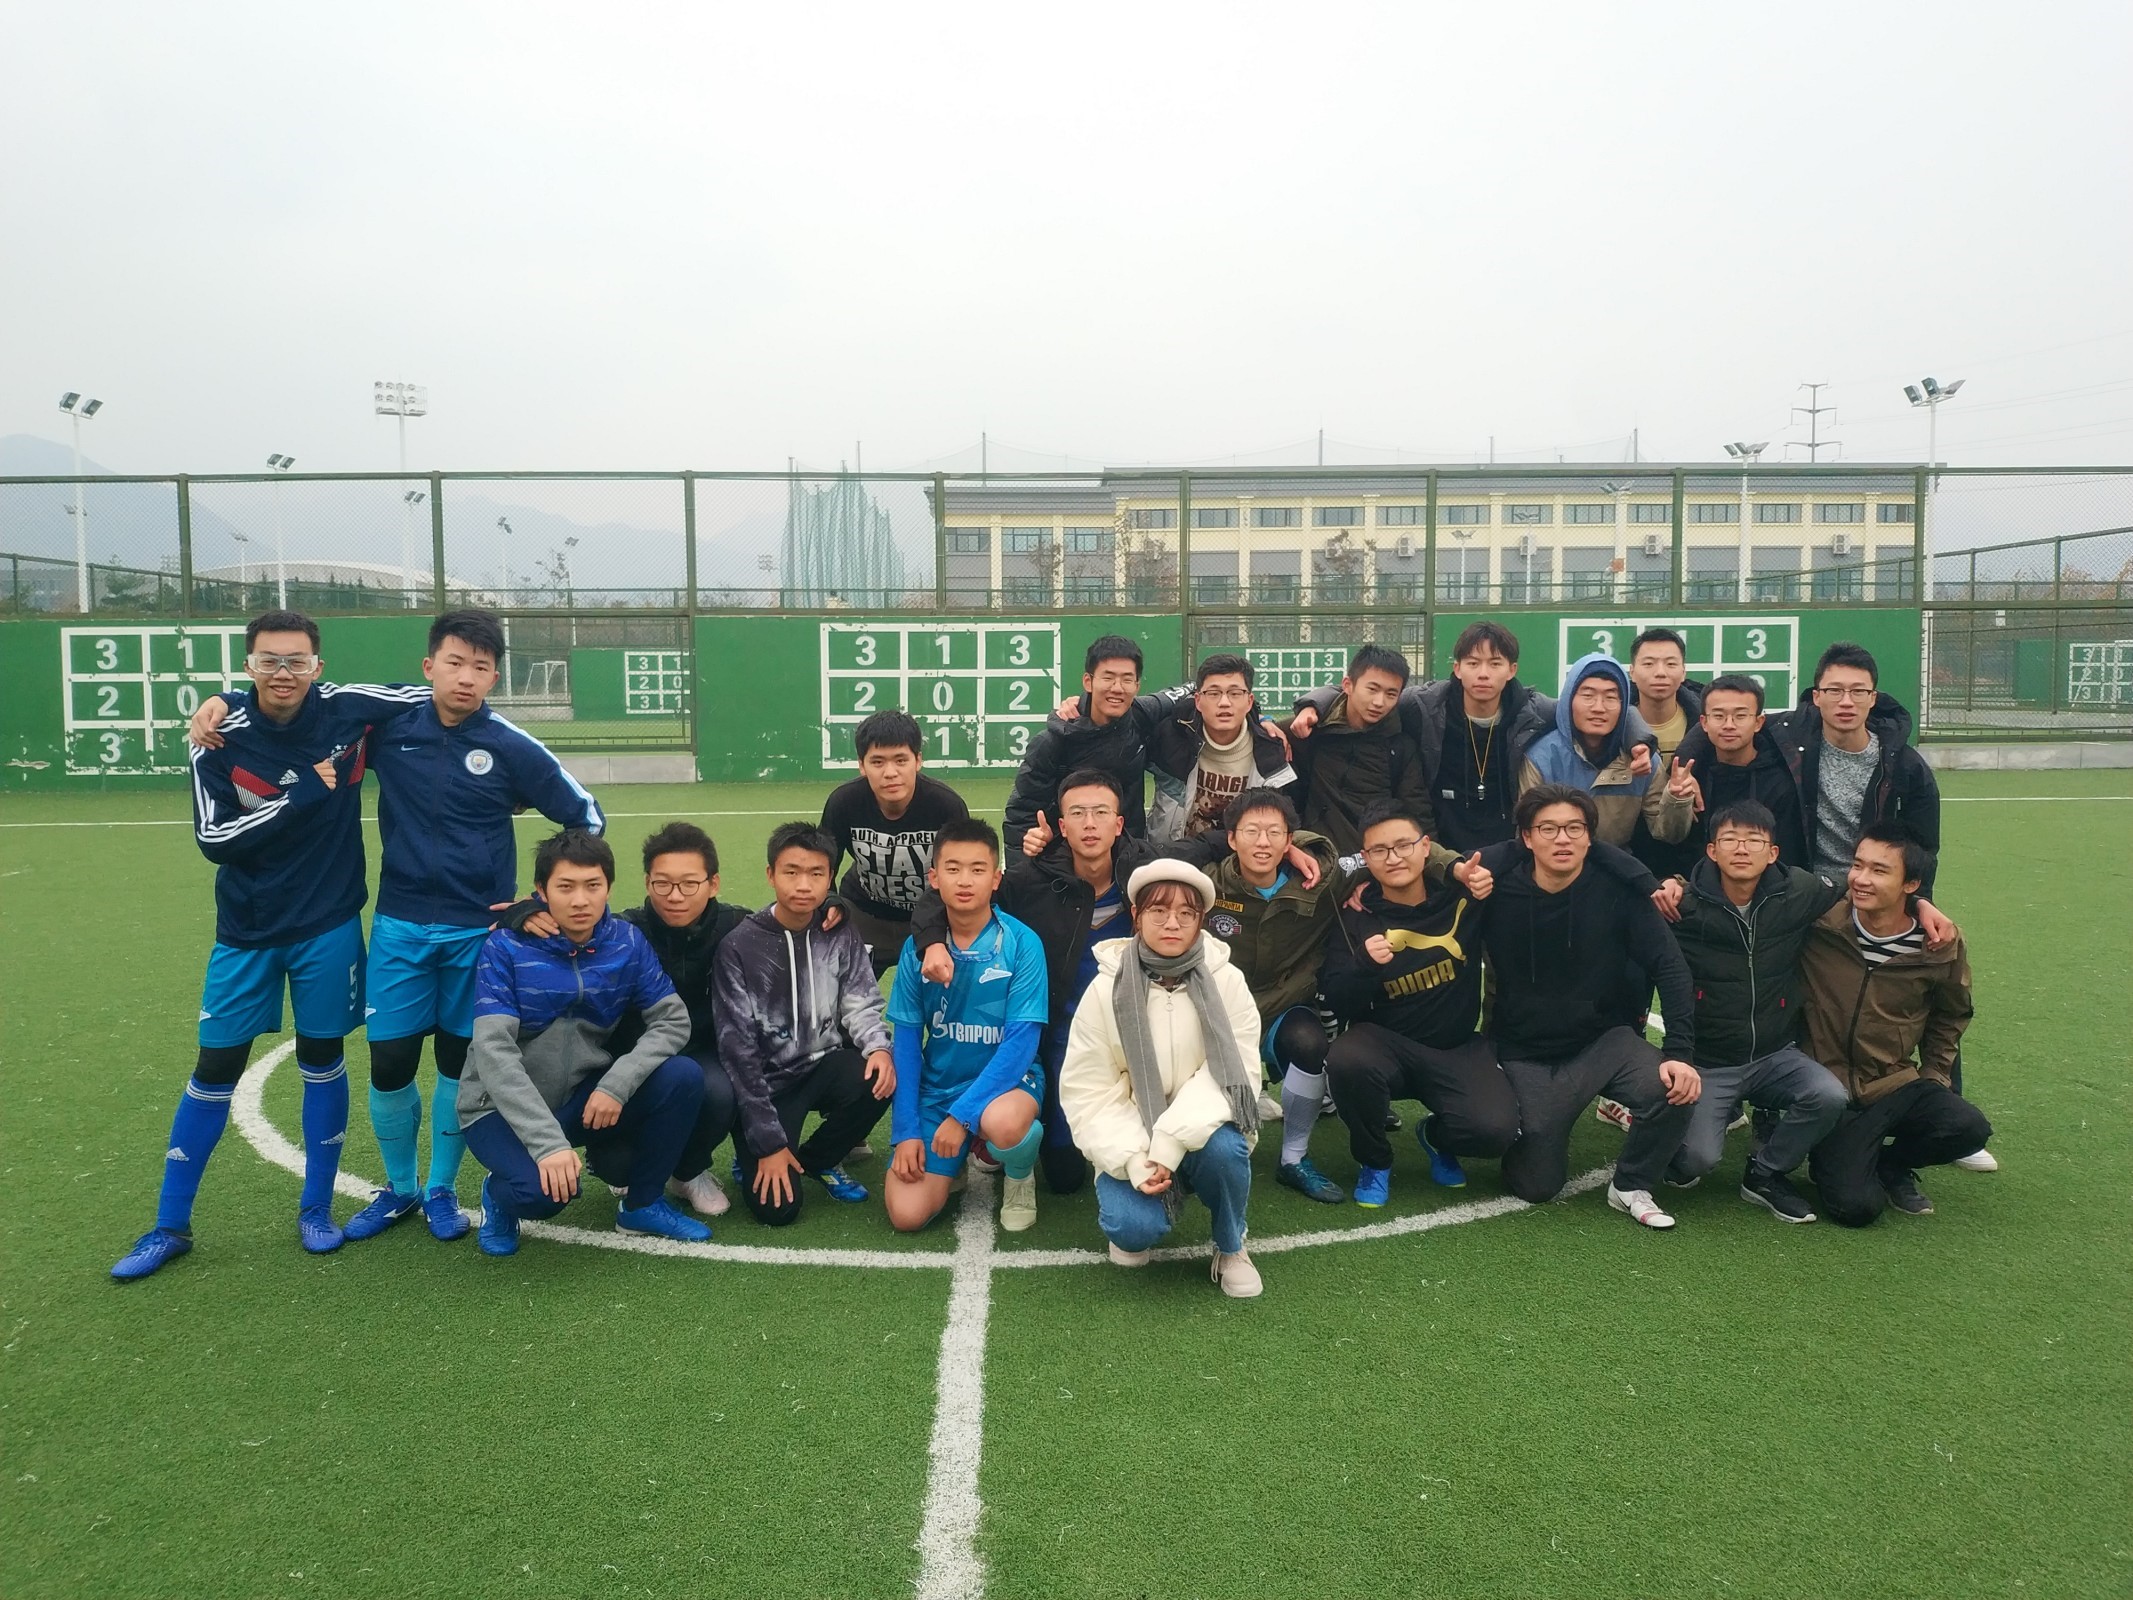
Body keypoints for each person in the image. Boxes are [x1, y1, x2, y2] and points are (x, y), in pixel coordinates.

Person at [188, 608, 605, 1244]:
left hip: (476, 933)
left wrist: (537, 898)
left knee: (457, 1063)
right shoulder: (388, 727)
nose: (465, 678)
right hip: (399, 923)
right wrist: (227, 698)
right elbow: (307, 698)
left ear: (495, 677)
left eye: (481, 667)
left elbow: (586, 816)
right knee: (389, 1062)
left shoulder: (510, 744)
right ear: (429, 666)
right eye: (454, 663)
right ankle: (399, 1187)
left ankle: (440, 1190)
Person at [113, 612, 366, 1280]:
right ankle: (169, 1226)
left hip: (328, 924)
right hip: (247, 930)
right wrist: (300, 794)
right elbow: (214, 839)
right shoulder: (216, 737)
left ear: (318, 666)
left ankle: (316, 1210)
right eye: (268, 661)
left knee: (321, 1058)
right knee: (215, 1065)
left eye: (296, 661)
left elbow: (430, 695)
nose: (283, 672)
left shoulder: (346, 715)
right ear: (248, 665)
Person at [459, 829, 712, 1256]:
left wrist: (617, 1083)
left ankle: (642, 1204)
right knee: (542, 1195)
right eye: (565, 887)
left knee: (683, 1076)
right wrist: (548, 1145)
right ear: (541, 891)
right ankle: (498, 1196)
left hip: (581, 1095)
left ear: (608, 887)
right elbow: (494, 1051)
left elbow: (672, 1021)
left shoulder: (626, 942)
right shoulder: (506, 946)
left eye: (592, 885)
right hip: (497, 1108)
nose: (580, 900)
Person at [1476, 784, 1702, 1229]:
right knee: (1537, 1185)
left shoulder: (1619, 889)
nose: (1562, 839)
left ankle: (1631, 1184)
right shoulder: (1495, 891)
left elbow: (1671, 968)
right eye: (1548, 829)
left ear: (1590, 838)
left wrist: (1680, 1053)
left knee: (1674, 1089)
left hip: (1603, 1043)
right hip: (1525, 1052)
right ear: (1526, 838)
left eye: (1574, 828)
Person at [498, 821, 746, 1217]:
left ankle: (688, 1171)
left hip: (699, 1052)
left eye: (689, 884)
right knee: (619, 1166)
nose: (675, 896)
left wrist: (834, 903)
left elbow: (787, 918)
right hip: (625, 1062)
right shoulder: (626, 932)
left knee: (717, 1090)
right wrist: (524, 911)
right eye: (663, 883)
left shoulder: (735, 925)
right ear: (647, 882)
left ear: (712, 884)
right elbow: (572, 919)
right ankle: (617, 1160)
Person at [1057, 860, 1267, 1297]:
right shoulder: (1105, 988)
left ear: (1201, 920)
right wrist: (1135, 1159)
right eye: (1158, 911)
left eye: (1186, 913)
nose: (1172, 923)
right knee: (1131, 1232)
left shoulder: (1227, 982)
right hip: (1133, 1138)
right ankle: (1144, 1204)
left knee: (1226, 1150)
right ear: (1136, 915)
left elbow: (1233, 1075)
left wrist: (1170, 1142)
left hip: (1202, 1133)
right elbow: (1088, 1089)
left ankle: (1231, 1245)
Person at [1651, 801, 1852, 1222]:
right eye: (1730, 839)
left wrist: (1921, 904)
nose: (1742, 849)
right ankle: (1694, 1124)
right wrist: (1668, 883)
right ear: (1712, 850)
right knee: (1696, 1162)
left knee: (1829, 1095)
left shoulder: (1797, 892)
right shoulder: (1682, 905)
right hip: (1709, 1062)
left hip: (1776, 1054)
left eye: (1754, 840)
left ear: (1773, 852)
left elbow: (1854, 889)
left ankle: (1765, 1171)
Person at [1321, 800, 1517, 1208]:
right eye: (1379, 850)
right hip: (1385, 1048)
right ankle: (1375, 1160)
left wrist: (1465, 869)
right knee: (1346, 1060)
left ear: (1426, 847)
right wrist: (1363, 965)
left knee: (1495, 1131)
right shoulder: (1355, 915)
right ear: (1366, 858)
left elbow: (1520, 847)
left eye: (1403, 845)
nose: (1393, 858)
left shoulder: (1462, 892)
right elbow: (1337, 1000)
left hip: (1455, 1047)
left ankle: (1437, 1136)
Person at [1799, 824, 1985, 1226]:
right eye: (1857, 865)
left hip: (1892, 1083)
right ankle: (1841, 1155)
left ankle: (1891, 1163)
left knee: (1968, 1127)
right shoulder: (1819, 921)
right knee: (1856, 1208)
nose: (1861, 879)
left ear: (1911, 885)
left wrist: (1935, 1075)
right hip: (1828, 1087)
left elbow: (1951, 1013)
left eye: (1879, 870)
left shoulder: (1938, 944)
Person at [713, 822, 896, 1225]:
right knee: (777, 1211)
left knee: (885, 1069)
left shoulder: (839, 930)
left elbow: (861, 1000)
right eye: (791, 872)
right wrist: (767, 1141)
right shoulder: (739, 946)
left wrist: (879, 1048)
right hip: (768, 1085)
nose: (803, 885)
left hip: (823, 1066)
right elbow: (738, 1051)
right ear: (770, 875)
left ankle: (819, 1158)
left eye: (816, 873)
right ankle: (753, 1147)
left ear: (830, 879)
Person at [883, 819, 1050, 1234]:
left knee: (1004, 1124)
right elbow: (906, 1044)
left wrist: (961, 1118)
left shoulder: (1023, 943)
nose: (964, 880)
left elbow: (1020, 1045)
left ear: (996, 879)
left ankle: (1019, 1175)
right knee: (906, 1214)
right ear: (934, 878)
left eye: (977, 869)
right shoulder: (916, 950)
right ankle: (954, 1159)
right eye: (953, 868)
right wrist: (906, 1131)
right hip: (940, 1089)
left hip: (1009, 1086)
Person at [1290, 622, 1581, 854]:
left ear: (1511, 670)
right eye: (1473, 663)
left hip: (1509, 849)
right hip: (1444, 846)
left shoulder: (1536, 712)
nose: (1483, 674)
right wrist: (1313, 705)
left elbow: (1589, 712)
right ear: (1457, 668)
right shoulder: (1423, 706)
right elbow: (1359, 693)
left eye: (1495, 664)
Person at [1200, 788, 1349, 1202]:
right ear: (1232, 839)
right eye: (1251, 832)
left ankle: (1293, 1158)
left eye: (1274, 833)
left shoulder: (1319, 881)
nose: (1262, 843)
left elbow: (1386, 858)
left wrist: (1454, 867)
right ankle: (1193, 1154)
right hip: (1221, 1010)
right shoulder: (1207, 885)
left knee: (1308, 1042)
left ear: (1290, 841)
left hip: (1283, 1004)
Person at [819, 709, 970, 977]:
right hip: (863, 913)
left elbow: (962, 873)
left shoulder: (946, 806)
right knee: (835, 996)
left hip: (930, 916)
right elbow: (821, 862)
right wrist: (829, 901)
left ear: (918, 760)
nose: (890, 773)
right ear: (862, 765)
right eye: (877, 762)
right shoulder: (844, 802)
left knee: (946, 993)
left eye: (901, 760)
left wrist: (935, 933)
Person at [1520, 652, 1697, 849]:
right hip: (1553, 861)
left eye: (1611, 697)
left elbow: (1668, 834)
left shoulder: (1642, 759)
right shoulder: (1541, 758)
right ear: (1569, 700)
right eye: (1588, 696)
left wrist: (1677, 799)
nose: (1599, 707)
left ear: (1624, 706)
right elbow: (1527, 831)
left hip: (1615, 863)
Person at [1003, 634, 1153, 849]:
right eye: (1108, 677)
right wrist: (1030, 852)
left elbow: (1192, 691)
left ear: (1137, 686)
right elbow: (1021, 818)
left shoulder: (1142, 719)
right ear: (1088, 682)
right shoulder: (1050, 743)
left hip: (1127, 859)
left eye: (1127, 679)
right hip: (1067, 861)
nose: (1117, 688)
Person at [1279, 642, 1429, 855]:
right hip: (1315, 857)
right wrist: (1266, 724)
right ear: (1348, 685)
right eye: (1372, 689)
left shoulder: (1401, 747)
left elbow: (1418, 814)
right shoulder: (1310, 730)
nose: (1379, 702)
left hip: (1376, 863)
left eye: (1391, 694)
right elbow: (1250, 728)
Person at [1138, 653, 1299, 842]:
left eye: (1235, 693)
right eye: (1214, 693)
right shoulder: (1171, 736)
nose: (1224, 703)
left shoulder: (1270, 752)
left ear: (1249, 701)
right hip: (1173, 854)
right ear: (1198, 700)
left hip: (1239, 856)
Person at [1669, 674, 1811, 869]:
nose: (1729, 725)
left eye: (1740, 716)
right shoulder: (1692, 776)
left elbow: (1786, 857)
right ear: (1704, 723)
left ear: (1759, 722)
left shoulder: (1780, 782)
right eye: (1719, 716)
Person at [1624, 628, 1707, 878]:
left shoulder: (1709, 724)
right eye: (1648, 663)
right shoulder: (1611, 725)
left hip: (1696, 855)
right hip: (1631, 853)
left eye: (1671, 664)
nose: (1660, 672)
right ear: (1632, 672)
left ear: (1683, 672)